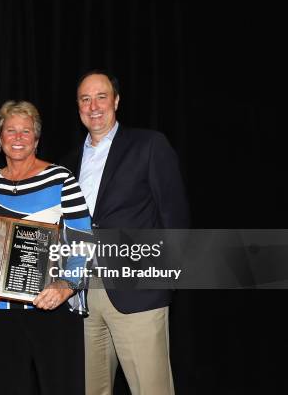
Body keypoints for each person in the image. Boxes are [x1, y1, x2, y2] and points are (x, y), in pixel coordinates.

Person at [62, 70, 190, 395]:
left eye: (101, 96)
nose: (93, 106)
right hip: (81, 296)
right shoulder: (66, 165)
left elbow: (174, 215)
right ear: (77, 106)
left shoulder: (149, 144)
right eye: (85, 99)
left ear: (116, 101)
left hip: (138, 291)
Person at [0, 100, 91, 395]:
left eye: (25, 132)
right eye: (10, 131)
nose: (17, 138)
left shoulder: (60, 179)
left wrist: (67, 287)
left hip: (51, 308)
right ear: (0, 140)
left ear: (36, 140)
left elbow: (83, 240)